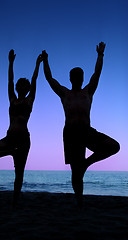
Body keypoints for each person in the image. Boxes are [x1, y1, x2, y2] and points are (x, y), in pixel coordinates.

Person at [42, 42, 120, 207]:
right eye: (75, 76)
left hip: (86, 130)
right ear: (71, 78)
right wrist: (45, 61)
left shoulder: (88, 92)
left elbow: (97, 74)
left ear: (82, 78)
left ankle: (87, 163)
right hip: (70, 132)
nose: (78, 78)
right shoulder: (65, 93)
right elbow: (50, 79)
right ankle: (80, 202)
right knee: (75, 172)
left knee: (114, 146)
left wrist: (100, 55)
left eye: (80, 76)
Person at [0, 49, 43, 206]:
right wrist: (10, 63)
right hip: (9, 139)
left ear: (26, 88)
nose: (19, 86)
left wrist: (37, 64)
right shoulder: (12, 100)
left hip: (23, 139)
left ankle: (15, 202)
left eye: (22, 85)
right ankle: (9, 152)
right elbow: (9, 81)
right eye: (18, 85)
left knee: (19, 173)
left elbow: (35, 80)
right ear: (16, 87)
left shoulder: (29, 100)